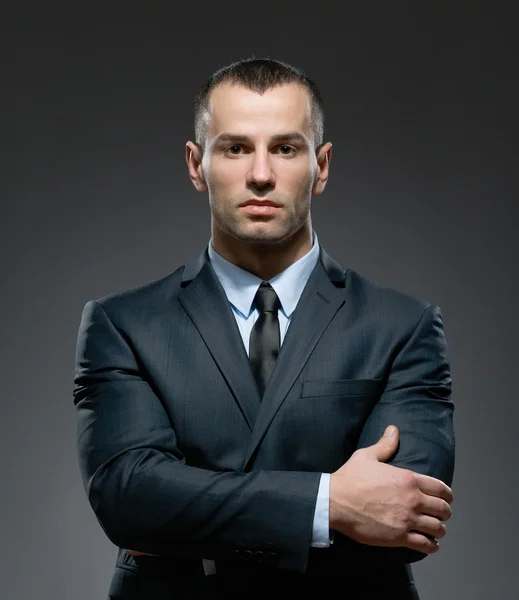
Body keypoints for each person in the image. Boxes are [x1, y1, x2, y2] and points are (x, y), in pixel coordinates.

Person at [73, 57, 455, 600]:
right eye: (235, 147)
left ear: (321, 166)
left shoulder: (403, 326)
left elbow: (407, 518)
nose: (260, 174)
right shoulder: (123, 325)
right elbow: (128, 501)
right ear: (196, 164)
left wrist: (187, 517)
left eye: (285, 148)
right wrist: (333, 503)